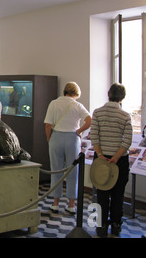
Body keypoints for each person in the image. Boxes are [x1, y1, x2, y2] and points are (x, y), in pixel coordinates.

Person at [90, 83, 132, 237]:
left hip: (101, 158)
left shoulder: (98, 113)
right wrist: (116, 156)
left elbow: (94, 135)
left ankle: (101, 226)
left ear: (108, 93)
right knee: (118, 194)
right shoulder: (125, 116)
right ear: (122, 97)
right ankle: (115, 225)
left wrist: (101, 155)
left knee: (102, 192)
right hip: (119, 160)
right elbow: (127, 140)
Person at [44, 82, 91, 214]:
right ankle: (71, 204)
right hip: (72, 139)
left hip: (56, 138)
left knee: (56, 170)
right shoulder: (77, 105)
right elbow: (89, 120)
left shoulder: (53, 103)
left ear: (65, 91)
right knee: (72, 171)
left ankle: (55, 203)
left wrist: (49, 140)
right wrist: (79, 131)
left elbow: (48, 125)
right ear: (76, 93)